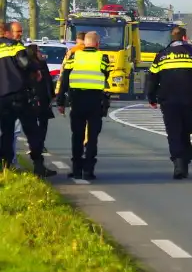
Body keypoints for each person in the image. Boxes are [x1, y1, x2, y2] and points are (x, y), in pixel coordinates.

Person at [145, 26, 192, 179]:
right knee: (185, 130)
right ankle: (184, 160)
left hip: (168, 101)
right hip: (188, 100)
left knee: (173, 132)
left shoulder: (161, 55)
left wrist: (151, 98)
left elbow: (151, 79)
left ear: (172, 38)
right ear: (184, 38)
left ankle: (178, 162)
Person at [56, 31, 110, 180]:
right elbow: (106, 75)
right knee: (92, 137)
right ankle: (89, 170)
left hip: (77, 100)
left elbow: (65, 79)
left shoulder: (74, 57)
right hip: (95, 101)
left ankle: (76, 169)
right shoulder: (102, 57)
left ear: (84, 43)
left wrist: (60, 101)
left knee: (77, 136)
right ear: (97, 43)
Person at [0, 23, 37, 172]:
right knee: (32, 130)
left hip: (2, 96)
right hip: (19, 94)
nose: (20, 34)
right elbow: (27, 64)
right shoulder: (17, 47)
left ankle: (6, 166)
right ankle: (38, 165)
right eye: (17, 31)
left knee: (6, 132)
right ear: (7, 32)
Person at [23, 44, 57, 177]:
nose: (40, 52)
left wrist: (52, 96)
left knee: (43, 123)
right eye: (38, 51)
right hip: (33, 98)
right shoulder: (29, 65)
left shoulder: (42, 64)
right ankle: (36, 149)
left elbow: (48, 80)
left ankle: (40, 144)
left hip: (44, 98)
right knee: (33, 126)